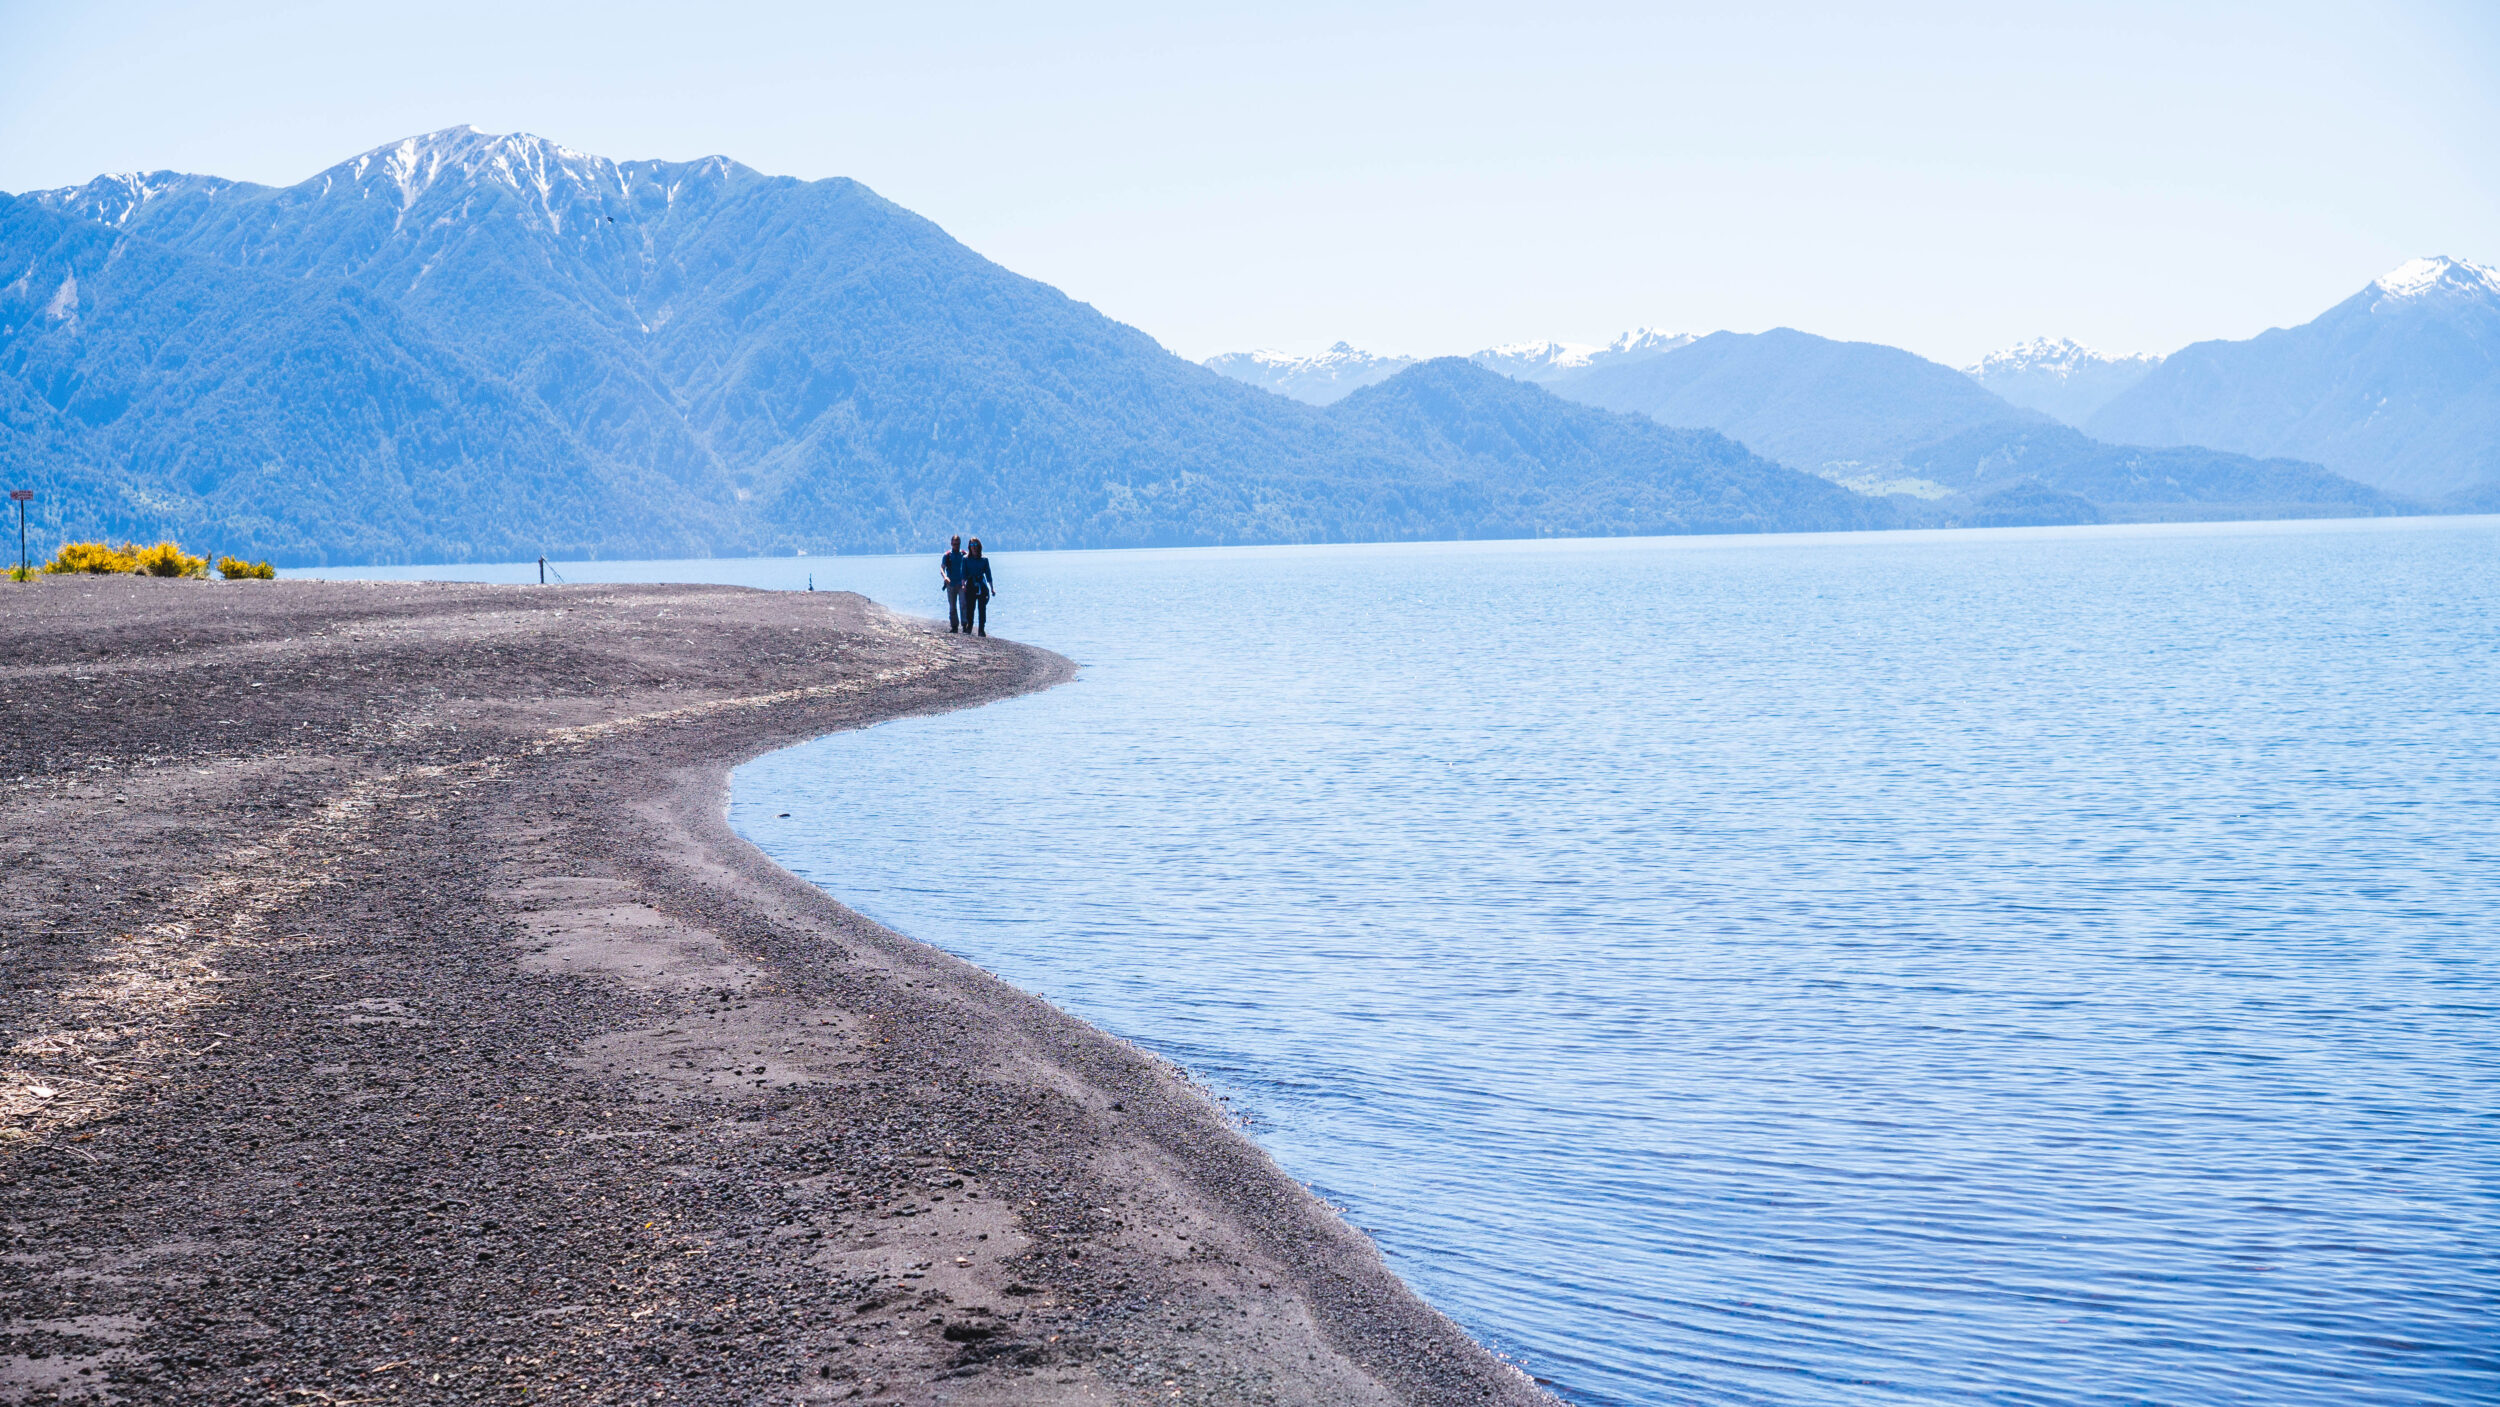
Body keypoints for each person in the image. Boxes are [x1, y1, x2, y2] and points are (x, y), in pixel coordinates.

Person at [960, 538, 994, 637]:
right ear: (969, 547)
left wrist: (992, 588)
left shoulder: (984, 559)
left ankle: (981, 630)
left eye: (975, 545)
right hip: (970, 584)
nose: (974, 547)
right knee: (970, 608)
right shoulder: (965, 559)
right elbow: (963, 574)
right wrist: (963, 585)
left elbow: (988, 575)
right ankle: (969, 627)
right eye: (972, 545)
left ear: (979, 546)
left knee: (982, 608)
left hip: (981, 585)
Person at [939, 535, 967, 633]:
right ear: (951, 544)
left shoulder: (964, 554)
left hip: (961, 583)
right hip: (951, 584)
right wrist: (945, 577)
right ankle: (954, 626)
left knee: (963, 604)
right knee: (952, 606)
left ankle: (965, 625)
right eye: (954, 544)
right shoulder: (947, 555)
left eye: (958, 544)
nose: (956, 546)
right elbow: (942, 568)